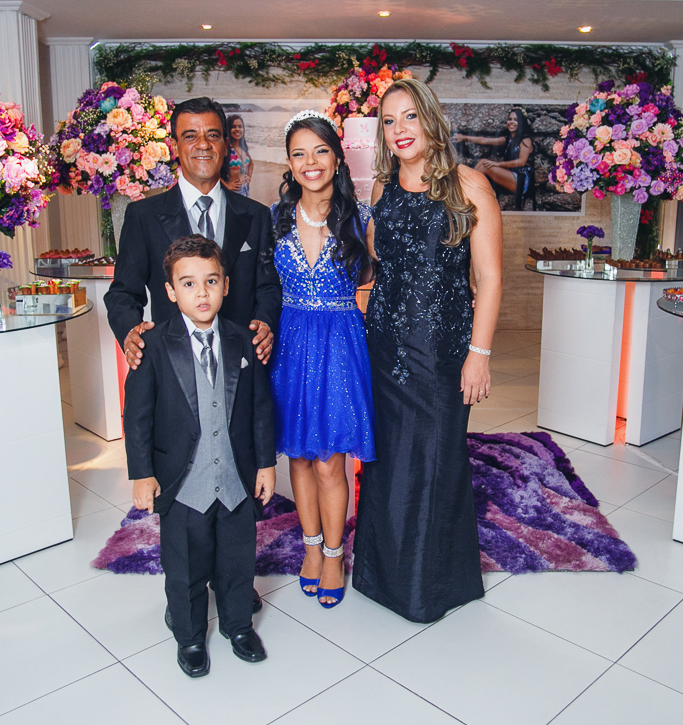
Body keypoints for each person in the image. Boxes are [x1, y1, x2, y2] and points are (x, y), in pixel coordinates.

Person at [353, 78, 503, 623]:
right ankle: (380, 576)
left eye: (410, 116)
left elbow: (490, 278)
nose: (400, 130)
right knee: (387, 459)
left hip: (441, 351)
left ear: (431, 119)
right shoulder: (381, 189)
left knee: (436, 458)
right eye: (389, 121)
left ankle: (429, 587)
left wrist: (479, 353)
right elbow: (380, 266)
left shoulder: (469, 186)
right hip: (384, 345)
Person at [126, 235, 276, 678]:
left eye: (211, 281)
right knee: (185, 567)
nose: (202, 293)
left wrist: (266, 463)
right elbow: (138, 415)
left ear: (226, 285)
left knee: (237, 560)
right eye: (188, 284)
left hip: (235, 478)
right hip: (182, 483)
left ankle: (238, 625)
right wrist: (142, 474)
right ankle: (190, 636)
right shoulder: (153, 345)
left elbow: (260, 408)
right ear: (170, 291)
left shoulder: (243, 340)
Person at [268, 110, 375, 608]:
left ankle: (334, 554)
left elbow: (378, 285)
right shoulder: (273, 218)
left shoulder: (362, 218)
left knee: (332, 462)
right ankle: (310, 548)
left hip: (340, 344)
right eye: (299, 153)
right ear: (290, 164)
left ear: (336, 158)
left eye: (320, 151)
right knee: (299, 457)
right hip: (290, 344)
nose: (310, 162)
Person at [105, 97, 280, 370]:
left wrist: (265, 323)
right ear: (175, 146)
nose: (203, 144)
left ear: (225, 145)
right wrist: (130, 333)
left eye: (212, 135)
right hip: (172, 366)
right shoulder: (143, 216)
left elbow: (268, 286)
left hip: (243, 363)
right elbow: (123, 293)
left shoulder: (257, 216)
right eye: (190, 136)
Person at [452, 107, 533, 197]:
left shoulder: (525, 140)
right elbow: (484, 140)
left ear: (521, 122)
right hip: (511, 176)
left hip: (522, 181)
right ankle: (464, 188)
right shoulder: (508, 139)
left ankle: (462, 191)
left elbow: (521, 162)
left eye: (516, 120)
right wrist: (464, 137)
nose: (511, 122)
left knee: (486, 166)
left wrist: (498, 164)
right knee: (483, 161)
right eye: (510, 119)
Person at [223, 115, 254, 198]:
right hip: (234, 191)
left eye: (240, 126)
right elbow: (214, 172)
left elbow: (251, 163)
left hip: (246, 188)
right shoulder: (226, 149)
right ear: (228, 129)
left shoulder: (243, 147)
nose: (237, 129)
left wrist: (249, 176)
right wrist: (226, 185)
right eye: (233, 127)